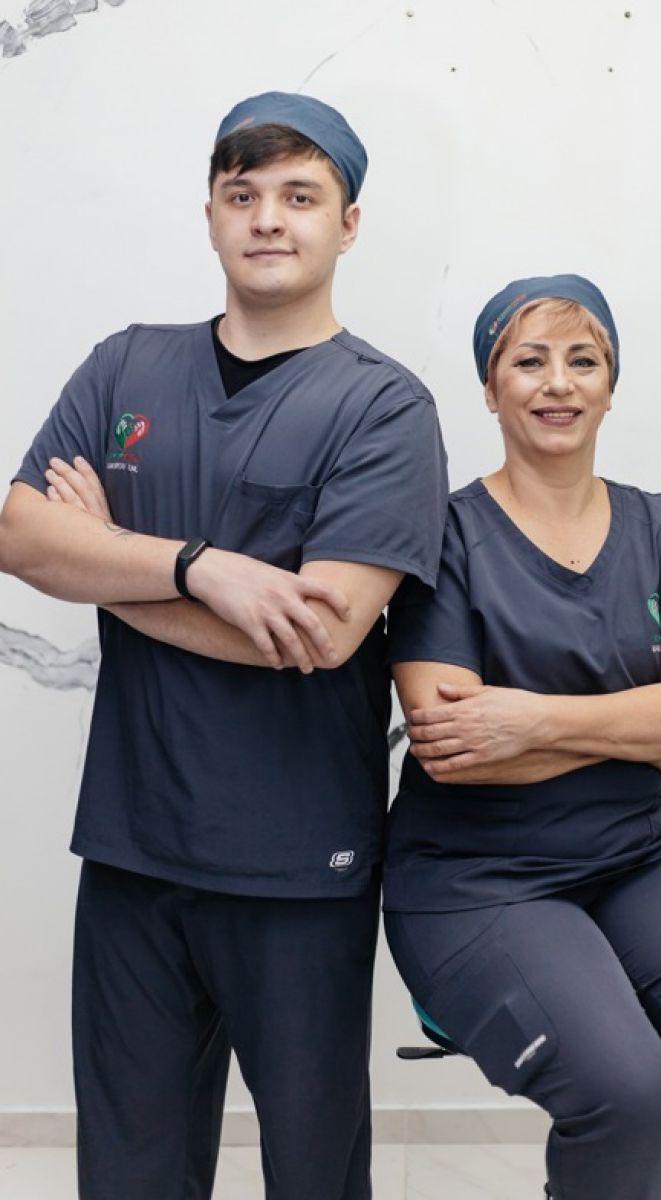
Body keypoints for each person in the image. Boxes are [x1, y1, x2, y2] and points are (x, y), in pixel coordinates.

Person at [0, 91, 447, 1200]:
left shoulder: (384, 408)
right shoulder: (125, 368)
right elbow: (19, 536)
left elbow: (318, 633)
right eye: (242, 195)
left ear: (348, 224)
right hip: (133, 849)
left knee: (312, 1171)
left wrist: (108, 562)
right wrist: (204, 568)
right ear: (208, 214)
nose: (267, 219)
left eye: (300, 196)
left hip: (296, 865)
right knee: (129, 1173)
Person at [383, 275, 661, 1200]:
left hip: (638, 852)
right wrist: (637, 729)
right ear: (490, 389)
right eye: (528, 361)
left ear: (611, 386)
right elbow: (453, 744)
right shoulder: (444, 535)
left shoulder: (659, 527)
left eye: (584, 360)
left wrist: (532, 719)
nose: (558, 383)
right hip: (476, 876)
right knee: (628, 1096)